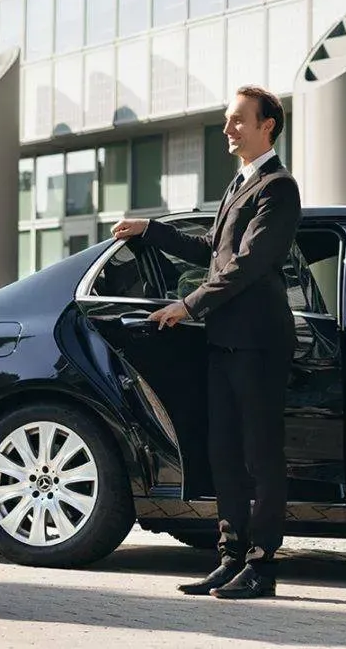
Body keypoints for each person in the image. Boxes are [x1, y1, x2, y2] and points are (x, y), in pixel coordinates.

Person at [112, 86, 301, 600]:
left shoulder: (278, 188)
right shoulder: (237, 185)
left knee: (261, 458)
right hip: (223, 344)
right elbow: (213, 252)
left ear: (268, 126)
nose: (228, 128)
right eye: (225, 120)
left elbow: (249, 263)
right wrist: (152, 230)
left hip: (259, 344)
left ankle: (262, 567)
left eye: (238, 120)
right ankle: (230, 557)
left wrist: (188, 305)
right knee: (224, 456)